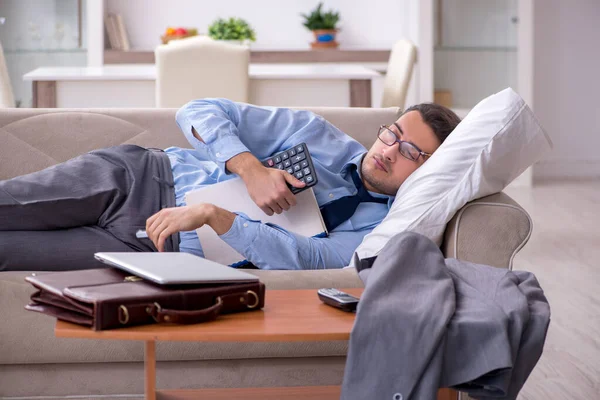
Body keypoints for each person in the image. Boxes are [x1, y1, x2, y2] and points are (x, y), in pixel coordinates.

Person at [0, 99, 460, 271]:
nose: (388, 150)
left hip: (154, 251)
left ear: (430, 172)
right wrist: (250, 169)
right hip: (138, 180)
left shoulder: (381, 228)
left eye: (410, 152)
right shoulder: (315, 134)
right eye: (393, 133)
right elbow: (196, 111)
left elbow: (311, 258)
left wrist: (217, 219)